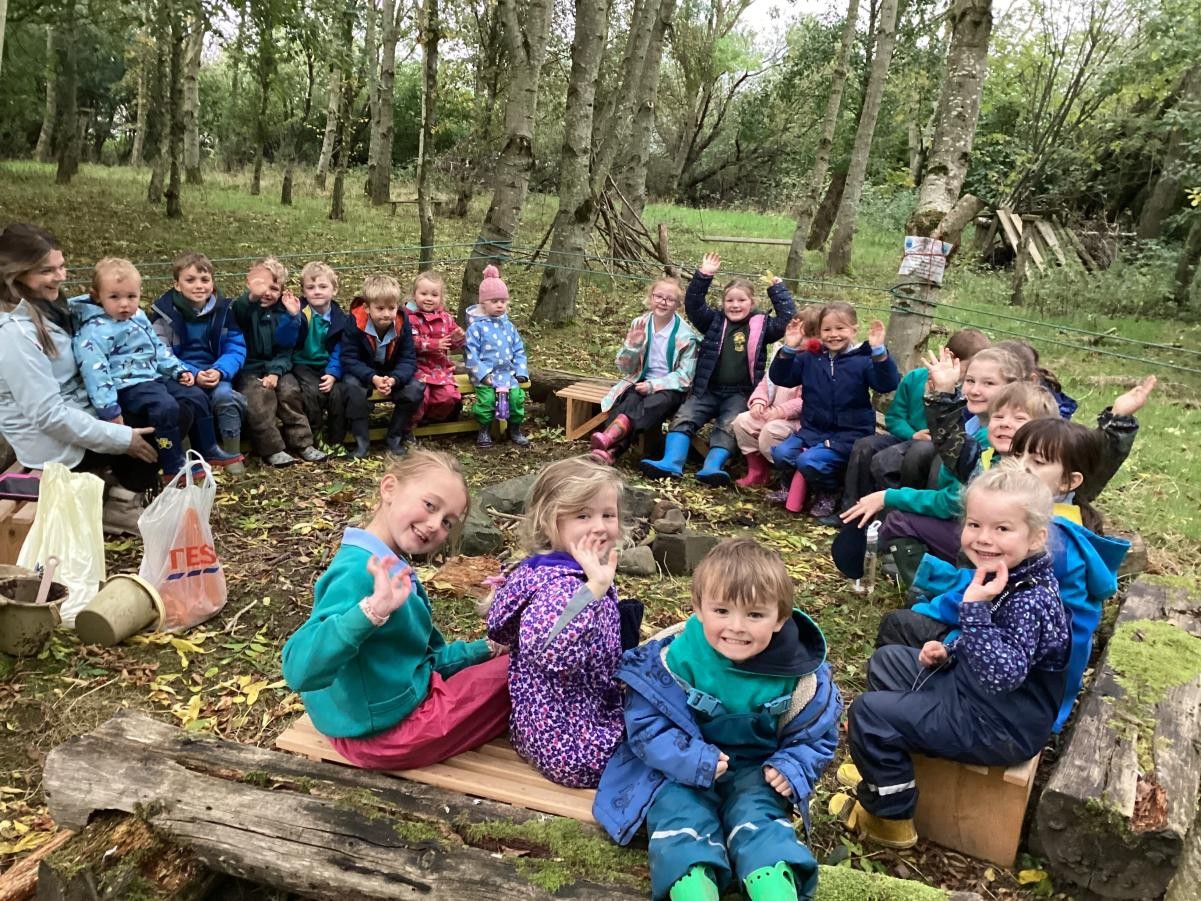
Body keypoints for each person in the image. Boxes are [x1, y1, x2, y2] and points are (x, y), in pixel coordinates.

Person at [834, 466, 1070, 850]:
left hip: (1000, 724)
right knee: (889, 660)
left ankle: (889, 816)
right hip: (973, 694)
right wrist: (950, 649)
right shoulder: (1007, 573)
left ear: (1036, 538)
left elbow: (1004, 676)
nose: (984, 539)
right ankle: (890, 768)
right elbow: (998, 644)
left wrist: (974, 611)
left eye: (1002, 529)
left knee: (868, 713)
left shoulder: (1031, 599)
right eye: (975, 524)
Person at [593, 539, 841, 901]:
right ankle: (693, 884)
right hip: (681, 770)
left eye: (755, 615)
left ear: (780, 618)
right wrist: (692, 759)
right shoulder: (673, 660)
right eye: (722, 611)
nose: (736, 627)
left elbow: (817, 734)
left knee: (759, 817)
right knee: (678, 816)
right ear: (698, 608)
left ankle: (772, 882)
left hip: (756, 770)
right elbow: (645, 727)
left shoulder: (802, 677)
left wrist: (792, 766)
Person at [880, 417, 1136, 734]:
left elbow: (989, 607)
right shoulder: (1053, 523)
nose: (1021, 467)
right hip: (1019, 653)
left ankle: (906, 718)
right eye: (1017, 456)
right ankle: (903, 710)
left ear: (1069, 482)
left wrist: (940, 616)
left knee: (901, 626)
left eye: (1037, 462)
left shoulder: (1050, 544)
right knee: (908, 626)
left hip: (1025, 686)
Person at [281, 450, 510, 769]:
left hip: (369, 715)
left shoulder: (386, 565)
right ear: (389, 488)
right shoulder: (362, 573)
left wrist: (486, 648)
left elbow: (417, 661)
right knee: (526, 669)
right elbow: (298, 670)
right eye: (430, 505)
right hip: (386, 736)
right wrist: (369, 612)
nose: (434, 525)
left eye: (447, 522)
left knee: (507, 662)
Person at [486, 457, 633, 788]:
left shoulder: (555, 570)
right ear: (550, 521)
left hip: (552, 723)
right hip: (572, 742)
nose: (599, 526)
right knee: (660, 737)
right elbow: (554, 654)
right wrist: (594, 589)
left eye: (607, 515)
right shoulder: (565, 586)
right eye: (583, 515)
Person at [0, 223, 158, 530]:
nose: (61, 276)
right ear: (16, 273)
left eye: (62, 266)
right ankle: (119, 505)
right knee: (155, 424)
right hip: (51, 443)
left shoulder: (48, 306)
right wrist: (122, 439)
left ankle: (119, 493)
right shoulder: (13, 335)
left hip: (77, 414)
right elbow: (49, 416)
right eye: (48, 271)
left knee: (166, 406)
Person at [832, 346, 1030, 581]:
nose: (975, 390)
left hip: (985, 534)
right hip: (971, 523)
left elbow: (954, 500)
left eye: (988, 384)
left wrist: (890, 497)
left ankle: (934, 584)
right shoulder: (975, 427)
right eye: (970, 381)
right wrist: (944, 393)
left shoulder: (996, 439)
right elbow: (949, 446)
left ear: (1012, 388)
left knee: (898, 520)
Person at [71, 257, 244, 482]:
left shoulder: (139, 318)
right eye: (115, 297)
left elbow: (158, 350)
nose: (124, 304)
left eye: (131, 297)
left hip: (153, 376)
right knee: (165, 408)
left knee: (197, 396)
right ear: (98, 296)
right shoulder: (93, 332)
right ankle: (173, 462)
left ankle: (208, 448)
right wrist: (109, 410)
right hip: (128, 385)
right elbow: (95, 373)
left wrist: (179, 370)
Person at [641, 253, 795, 485]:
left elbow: (786, 319)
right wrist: (704, 276)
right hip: (707, 388)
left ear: (752, 303)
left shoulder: (762, 327)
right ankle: (671, 461)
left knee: (728, 425)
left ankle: (712, 466)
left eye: (741, 300)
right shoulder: (713, 321)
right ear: (723, 304)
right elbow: (693, 305)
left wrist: (778, 290)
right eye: (730, 301)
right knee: (685, 416)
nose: (735, 305)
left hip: (740, 393)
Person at [768, 302, 901, 518]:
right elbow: (781, 378)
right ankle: (792, 486)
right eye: (827, 330)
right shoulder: (811, 357)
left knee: (809, 461)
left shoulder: (863, 360)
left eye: (840, 328)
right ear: (819, 332)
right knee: (783, 454)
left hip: (849, 435)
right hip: (812, 431)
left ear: (854, 330)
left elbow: (887, 384)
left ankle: (830, 490)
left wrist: (879, 352)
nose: (833, 335)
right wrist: (789, 348)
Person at [840, 328, 990, 514]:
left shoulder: (971, 395)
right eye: (968, 370)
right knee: (864, 446)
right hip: (908, 436)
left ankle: (893, 513)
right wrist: (912, 433)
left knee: (887, 462)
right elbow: (894, 418)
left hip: (940, 446)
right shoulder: (915, 378)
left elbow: (960, 433)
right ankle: (852, 508)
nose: (971, 379)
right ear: (949, 356)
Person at [149, 251, 248, 476]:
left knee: (225, 397)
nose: (199, 286)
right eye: (190, 280)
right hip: (180, 374)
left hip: (216, 370)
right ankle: (187, 457)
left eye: (205, 280)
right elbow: (160, 352)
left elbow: (236, 347)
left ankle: (231, 452)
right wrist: (191, 372)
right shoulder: (162, 314)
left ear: (212, 283)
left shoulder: (225, 312)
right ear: (177, 284)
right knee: (185, 402)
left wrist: (219, 370)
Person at [589, 276, 700, 465]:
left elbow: (685, 378)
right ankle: (611, 450)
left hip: (670, 388)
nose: (663, 302)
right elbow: (625, 368)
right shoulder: (639, 324)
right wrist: (633, 346)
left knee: (655, 403)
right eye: (659, 296)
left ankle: (611, 445)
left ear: (678, 304)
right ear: (650, 297)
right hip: (639, 380)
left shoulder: (686, 336)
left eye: (670, 299)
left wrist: (653, 385)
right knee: (629, 400)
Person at [232, 258, 327, 466]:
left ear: (282, 290)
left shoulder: (284, 312)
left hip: (280, 366)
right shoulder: (244, 308)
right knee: (259, 398)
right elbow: (240, 312)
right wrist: (251, 296)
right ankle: (272, 448)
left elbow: (287, 347)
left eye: (274, 288)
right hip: (249, 369)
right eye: (262, 286)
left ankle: (302, 442)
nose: (267, 292)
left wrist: (294, 318)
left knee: (290, 392)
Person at [342, 274, 424, 458]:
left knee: (415, 389)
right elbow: (349, 358)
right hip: (364, 372)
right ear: (367, 308)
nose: (386, 314)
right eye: (380, 308)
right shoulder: (355, 323)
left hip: (391, 373)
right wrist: (372, 377)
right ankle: (361, 442)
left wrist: (395, 379)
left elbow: (408, 359)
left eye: (391, 308)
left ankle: (394, 438)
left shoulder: (403, 324)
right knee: (352, 387)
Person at [465, 265, 530, 448]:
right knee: (487, 401)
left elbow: (518, 349)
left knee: (517, 398)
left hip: (508, 375)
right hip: (487, 376)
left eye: (503, 301)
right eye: (494, 301)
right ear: (483, 303)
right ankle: (484, 429)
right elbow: (471, 354)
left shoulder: (508, 326)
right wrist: (483, 375)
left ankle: (515, 428)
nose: (500, 305)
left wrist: (520, 370)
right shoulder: (475, 328)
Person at [291, 261, 350, 450]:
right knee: (311, 392)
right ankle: (315, 434)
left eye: (323, 286)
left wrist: (333, 373)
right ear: (303, 291)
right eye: (311, 287)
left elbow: (341, 349)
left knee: (337, 394)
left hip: (328, 364)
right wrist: (293, 318)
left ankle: (336, 439)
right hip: (302, 363)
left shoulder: (341, 319)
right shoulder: (299, 314)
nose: (317, 291)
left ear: (334, 290)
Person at [404, 270, 465, 426]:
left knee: (449, 396)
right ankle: (410, 425)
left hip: (441, 369)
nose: (429, 299)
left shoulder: (446, 318)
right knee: (420, 395)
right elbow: (410, 341)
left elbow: (451, 342)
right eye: (424, 294)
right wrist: (434, 344)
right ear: (414, 294)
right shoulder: (408, 317)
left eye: (434, 295)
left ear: (441, 297)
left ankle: (431, 419)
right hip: (416, 368)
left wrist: (457, 339)